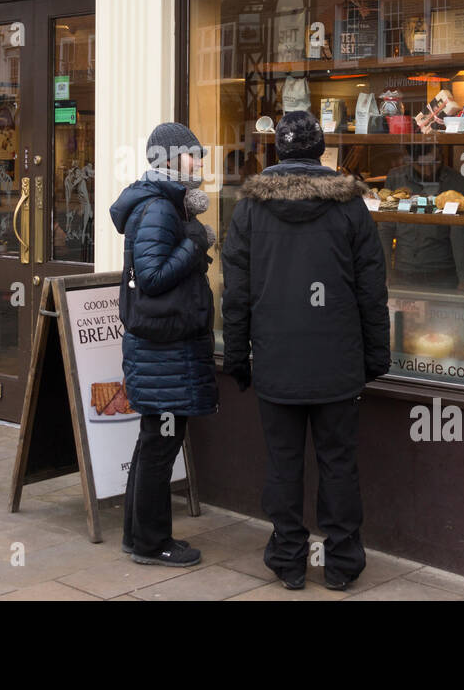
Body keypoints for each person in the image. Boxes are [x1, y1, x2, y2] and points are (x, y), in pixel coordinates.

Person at [221, 111, 390, 590]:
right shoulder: (350, 206)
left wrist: (237, 358)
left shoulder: (250, 208)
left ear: (279, 151)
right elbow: (371, 289)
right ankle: (341, 563)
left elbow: (235, 291)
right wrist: (376, 357)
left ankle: (289, 559)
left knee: (282, 462)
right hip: (338, 362)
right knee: (339, 463)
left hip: (277, 360)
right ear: (321, 151)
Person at [109, 122, 218, 568]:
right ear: (169, 161)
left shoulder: (167, 205)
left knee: (153, 442)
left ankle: (137, 536)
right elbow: (152, 278)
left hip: (164, 351)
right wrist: (194, 242)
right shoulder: (158, 209)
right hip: (164, 352)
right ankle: (153, 543)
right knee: (159, 446)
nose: (200, 163)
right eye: (193, 155)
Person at [376, 143, 464, 291]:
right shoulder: (396, 177)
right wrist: (384, 272)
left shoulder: (457, 181)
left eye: (435, 162)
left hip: (443, 273)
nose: (428, 171)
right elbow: (386, 228)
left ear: (441, 155)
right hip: (402, 271)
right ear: (410, 160)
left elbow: (460, 232)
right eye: (421, 165)